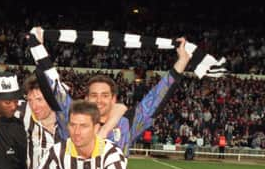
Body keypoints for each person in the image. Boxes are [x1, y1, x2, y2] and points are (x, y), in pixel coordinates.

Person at [29, 27, 192, 156]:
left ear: (114, 99)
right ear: (86, 98)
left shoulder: (127, 124)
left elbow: (157, 98)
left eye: (105, 95)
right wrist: (38, 47)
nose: (99, 100)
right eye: (94, 95)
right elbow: (52, 86)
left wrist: (182, 61)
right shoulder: (71, 116)